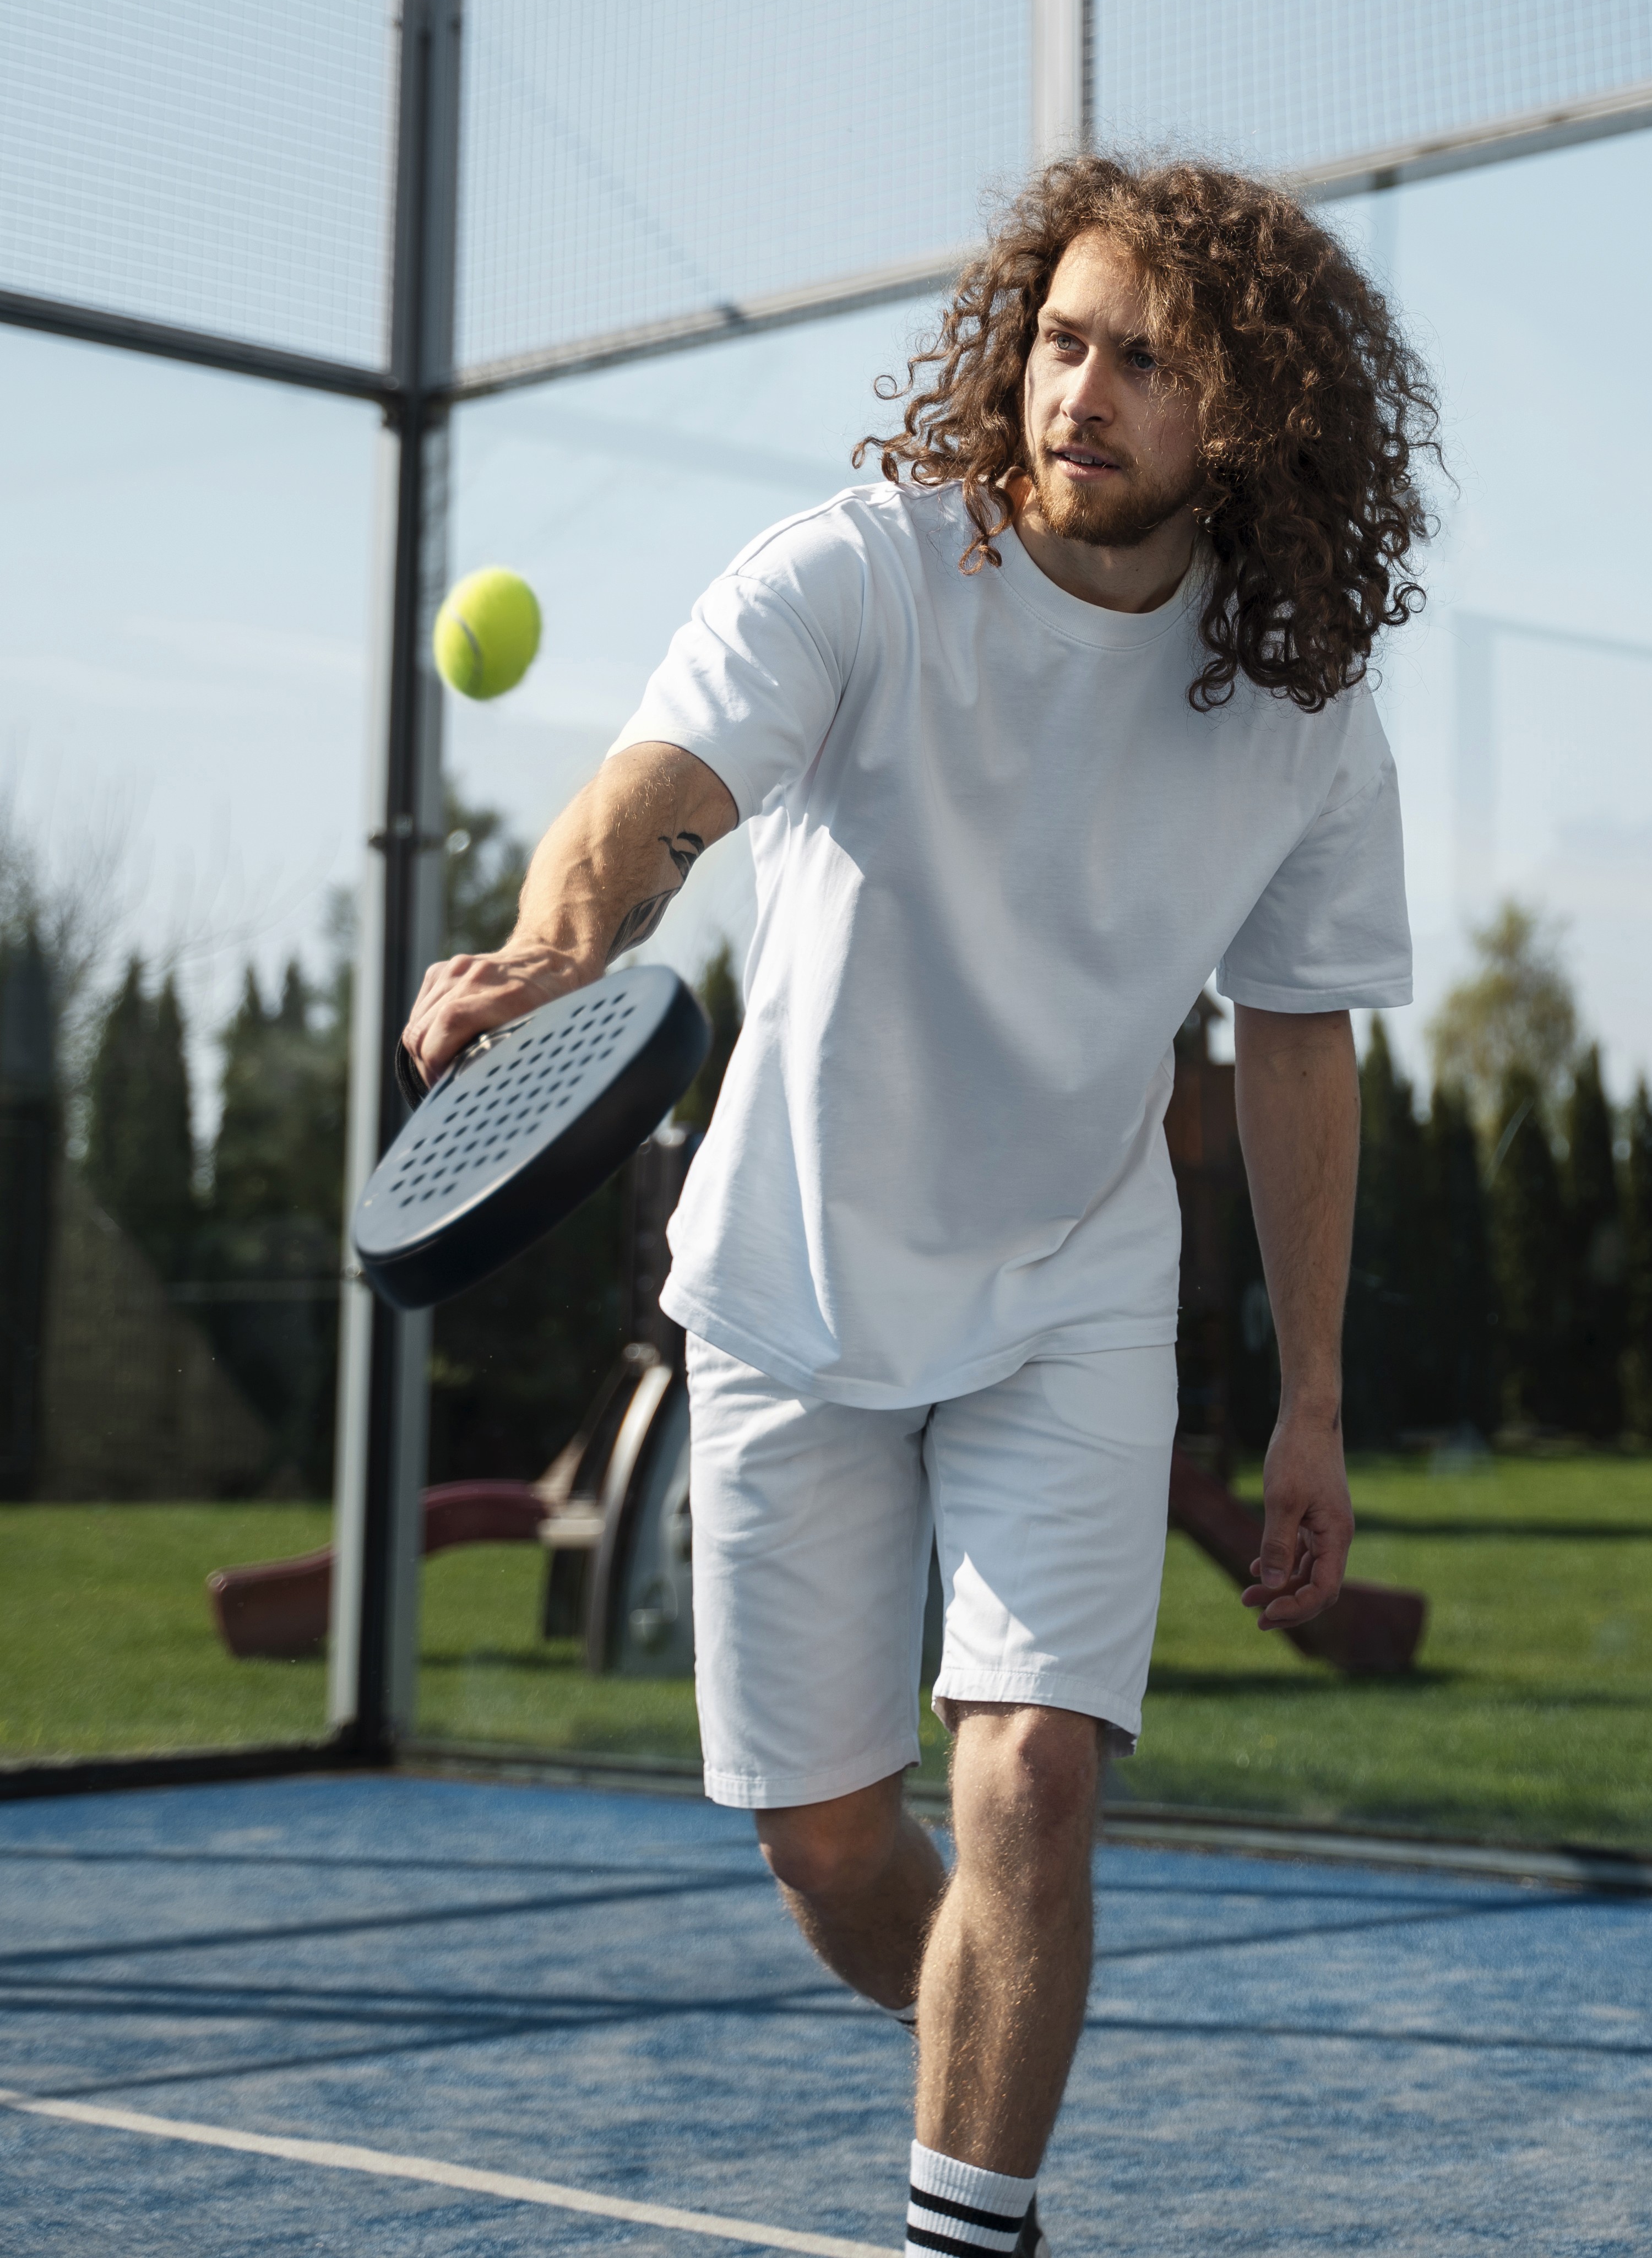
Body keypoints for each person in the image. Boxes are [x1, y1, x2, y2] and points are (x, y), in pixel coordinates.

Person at [404, 155, 1436, 2253]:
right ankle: (993, 2003)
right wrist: (556, 950)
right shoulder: (865, 572)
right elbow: (651, 797)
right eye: (1063, 337)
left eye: (1150, 357)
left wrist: (1311, 1395)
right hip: (787, 1281)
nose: (1086, 388)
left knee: (1035, 1784)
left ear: (1248, 410)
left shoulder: (1307, 717)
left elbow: (1302, 1043)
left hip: (1074, 1286)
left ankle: (966, 2210)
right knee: (826, 1849)